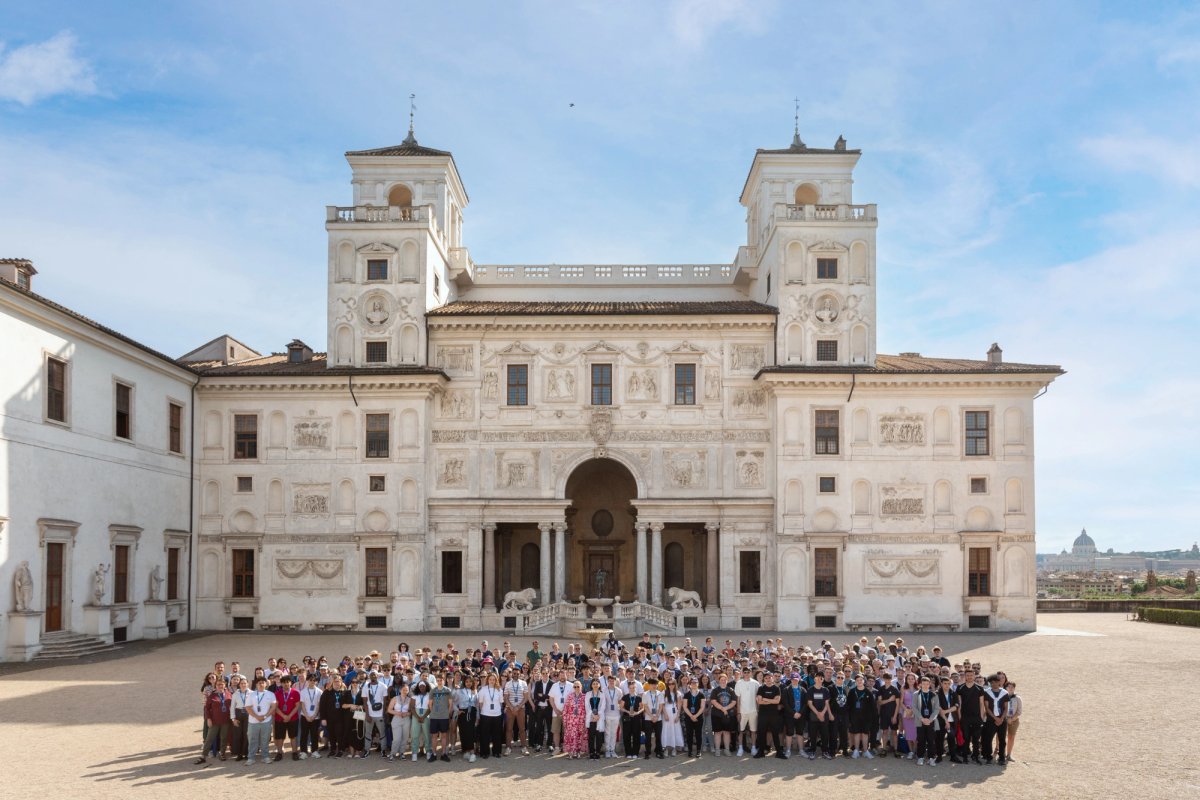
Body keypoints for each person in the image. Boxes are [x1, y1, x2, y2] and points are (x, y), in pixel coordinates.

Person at [195, 677, 232, 765]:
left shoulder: (228, 694)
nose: (220, 686)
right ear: (216, 685)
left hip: (226, 720)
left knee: (224, 738)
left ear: (225, 685)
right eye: (218, 684)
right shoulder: (212, 695)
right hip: (214, 721)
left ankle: (222, 753)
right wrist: (208, 719)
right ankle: (203, 756)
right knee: (209, 738)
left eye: (222, 684)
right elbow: (207, 709)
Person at [754, 671, 786, 759]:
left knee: (775, 733)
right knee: (761, 733)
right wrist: (771, 701)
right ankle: (761, 752)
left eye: (769, 677)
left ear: (772, 678)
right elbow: (760, 702)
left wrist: (765, 699)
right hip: (763, 714)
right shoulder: (761, 688)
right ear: (764, 679)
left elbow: (777, 701)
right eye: (766, 678)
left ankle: (779, 752)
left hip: (773, 714)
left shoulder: (776, 688)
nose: (768, 679)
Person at [956, 669, 985, 763]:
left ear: (974, 676)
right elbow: (959, 704)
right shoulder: (960, 688)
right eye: (967, 675)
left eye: (971, 675)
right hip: (965, 717)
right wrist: (960, 717)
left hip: (976, 717)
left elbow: (981, 704)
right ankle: (965, 756)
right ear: (965, 676)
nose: (969, 677)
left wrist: (981, 717)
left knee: (976, 738)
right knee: (966, 737)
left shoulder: (979, 688)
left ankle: (975, 756)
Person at [245, 677, 276, 766]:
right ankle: (251, 758)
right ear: (256, 685)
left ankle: (265, 757)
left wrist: (265, 716)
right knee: (252, 739)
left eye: (263, 683)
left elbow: (273, 706)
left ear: (266, 684)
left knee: (265, 739)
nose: (261, 684)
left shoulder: (270, 694)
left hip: (266, 721)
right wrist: (257, 717)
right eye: (259, 683)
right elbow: (248, 707)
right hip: (253, 721)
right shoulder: (251, 695)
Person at [981, 674, 1010, 765]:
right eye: (992, 682)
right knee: (988, 739)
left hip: (1002, 720)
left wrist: (1001, 718)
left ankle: (1001, 757)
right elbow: (987, 707)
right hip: (991, 720)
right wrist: (995, 718)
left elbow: (1006, 708)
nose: (994, 684)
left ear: (999, 682)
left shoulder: (1004, 693)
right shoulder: (987, 692)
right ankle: (989, 757)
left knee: (1002, 740)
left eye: (996, 682)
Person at [806, 672, 835, 760]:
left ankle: (825, 751)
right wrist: (818, 714)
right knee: (813, 734)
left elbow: (827, 703)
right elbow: (810, 704)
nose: (819, 679)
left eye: (821, 677)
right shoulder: (810, 690)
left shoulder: (825, 690)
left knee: (825, 734)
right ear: (814, 679)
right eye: (817, 677)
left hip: (824, 716)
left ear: (823, 679)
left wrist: (822, 713)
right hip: (813, 716)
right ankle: (812, 751)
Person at [360, 671, 389, 759]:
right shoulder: (365, 687)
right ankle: (367, 750)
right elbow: (365, 702)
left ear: (378, 676)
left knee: (382, 733)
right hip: (370, 714)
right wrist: (367, 714)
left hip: (380, 714)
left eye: (375, 675)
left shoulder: (383, 686)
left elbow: (385, 701)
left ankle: (383, 750)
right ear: (369, 676)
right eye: (371, 675)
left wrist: (384, 714)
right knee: (368, 733)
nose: (373, 676)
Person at [847, 674, 876, 759]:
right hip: (854, 717)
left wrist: (872, 718)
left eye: (861, 680)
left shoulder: (868, 692)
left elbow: (873, 707)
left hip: (866, 718)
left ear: (864, 681)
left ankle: (865, 751)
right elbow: (848, 705)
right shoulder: (852, 692)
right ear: (855, 682)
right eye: (857, 680)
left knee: (865, 734)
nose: (859, 681)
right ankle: (856, 750)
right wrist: (849, 718)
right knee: (856, 733)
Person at [709, 672, 738, 756]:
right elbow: (713, 701)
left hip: (728, 715)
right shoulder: (715, 690)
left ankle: (727, 749)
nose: (723, 681)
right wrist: (722, 708)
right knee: (718, 732)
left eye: (725, 679)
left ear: (727, 680)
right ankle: (717, 750)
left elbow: (734, 702)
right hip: (717, 714)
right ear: (719, 680)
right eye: (722, 679)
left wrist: (726, 708)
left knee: (726, 732)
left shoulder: (731, 690)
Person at [913, 676, 940, 766]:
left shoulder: (934, 695)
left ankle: (931, 758)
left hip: (931, 721)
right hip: (920, 721)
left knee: (931, 740)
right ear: (920, 684)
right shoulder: (916, 694)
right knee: (921, 739)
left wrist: (930, 719)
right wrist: (922, 718)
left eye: (927, 684)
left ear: (929, 685)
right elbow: (914, 708)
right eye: (923, 684)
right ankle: (920, 757)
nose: (925, 685)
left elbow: (936, 709)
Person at [477, 673, 505, 758]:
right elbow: (480, 703)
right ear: (487, 680)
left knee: (497, 734)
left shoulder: (499, 690)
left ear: (496, 680)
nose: (492, 681)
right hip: (485, 715)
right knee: (485, 734)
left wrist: (496, 711)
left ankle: (496, 752)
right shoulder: (483, 689)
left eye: (494, 679)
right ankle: (485, 752)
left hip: (497, 715)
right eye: (490, 679)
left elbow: (501, 703)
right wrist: (485, 711)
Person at [734, 669, 760, 756]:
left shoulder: (756, 683)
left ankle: (753, 748)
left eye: (748, 672)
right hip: (742, 712)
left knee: (753, 731)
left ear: (751, 673)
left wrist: (758, 711)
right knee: (741, 731)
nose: (746, 674)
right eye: (744, 672)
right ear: (742, 673)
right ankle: (740, 748)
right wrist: (738, 712)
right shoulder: (738, 683)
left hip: (753, 711)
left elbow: (757, 699)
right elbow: (738, 699)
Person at [504, 669, 529, 755]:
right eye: (514, 673)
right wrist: (511, 707)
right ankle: (508, 747)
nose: (515, 675)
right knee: (509, 729)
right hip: (510, 709)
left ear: (520, 674)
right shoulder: (508, 684)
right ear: (511, 674)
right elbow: (506, 698)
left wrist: (518, 706)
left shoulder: (524, 683)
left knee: (522, 729)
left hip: (520, 709)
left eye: (517, 674)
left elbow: (526, 697)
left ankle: (524, 747)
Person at [429, 676, 453, 762]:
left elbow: (450, 704)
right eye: (438, 680)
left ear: (444, 680)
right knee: (434, 736)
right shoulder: (433, 690)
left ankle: (444, 754)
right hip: (434, 717)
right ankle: (434, 754)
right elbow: (430, 704)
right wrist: (434, 713)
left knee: (444, 736)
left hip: (444, 717)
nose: (439, 682)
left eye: (441, 680)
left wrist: (447, 713)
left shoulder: (447, 690)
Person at [298, 674, 323, 759]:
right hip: (305, 716)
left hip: (315, 718)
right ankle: (303, 751)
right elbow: (302, 705)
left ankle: (315, 751)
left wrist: (314, 715)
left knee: (314, 735)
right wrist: (307, 716)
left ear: (316, 681)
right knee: (304, 734)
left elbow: (319, 705)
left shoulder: (319, 692)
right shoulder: (303, 691)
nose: (312, 682)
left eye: (314, 680)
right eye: (310, 680)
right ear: (307, 680)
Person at [562, 679, 588, 758]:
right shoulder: (570, 696)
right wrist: (564, 719)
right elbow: (566, 708)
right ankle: (571, 752)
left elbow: (587, 709)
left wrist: (586, 720)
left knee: (580, 735)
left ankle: (578, 752)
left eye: (578, 686)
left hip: (581, 719)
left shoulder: (585, 697)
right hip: (571, 720)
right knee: (571, 736)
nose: (576, 688)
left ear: (581, 687)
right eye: (575, 686)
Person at [387, 681, 412, 762]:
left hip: (406, 719)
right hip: (396, 719)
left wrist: (407, 714)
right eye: (404, 690)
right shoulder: (395, 698)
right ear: (400, 690)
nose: (405, 691)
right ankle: (392, 754)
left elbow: (412, 711)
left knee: (405, 738)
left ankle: (402, 753)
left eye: (407, 690)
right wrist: (397, 712)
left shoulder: (410, 700)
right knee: (397, 738)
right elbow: (389, 710)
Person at [876, 672, 900, 756]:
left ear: (891, 679)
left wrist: (895, 716)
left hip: (893, 714)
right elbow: (880, 702)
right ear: (883, 679)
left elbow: (898, 704)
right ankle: (884, 749)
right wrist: (889, 700)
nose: (888, 681)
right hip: (884, 714)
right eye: (886, 679)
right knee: (885, 732)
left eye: (889, 679)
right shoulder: (881, 689)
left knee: (894, 732)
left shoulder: (895, 690)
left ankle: (896, 749)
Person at [682, 678, 706, 758]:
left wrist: (695, 716)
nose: (694, 684)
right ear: (690, 684)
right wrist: (691, 716)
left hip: (699, 717)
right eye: (692, 683)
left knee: (699, 734)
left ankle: (698, 751)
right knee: (689, 734)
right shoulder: (686, 694)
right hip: (689, 717)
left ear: (698, 684)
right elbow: (685, 707)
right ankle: (690, 750)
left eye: (695, 683)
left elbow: (702, 707)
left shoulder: (701, 695)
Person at [620, 680, 644, 760]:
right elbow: (621, 707)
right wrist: (627, 711)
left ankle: (635, 753)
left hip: (636, 718)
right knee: (627, 736)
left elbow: (642, 708)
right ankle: (628, 753)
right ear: (628, 688)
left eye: (633, 688)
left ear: (635, 688)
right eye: (630, 688)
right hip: (627, 718)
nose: (632, 689)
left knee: (636, 736)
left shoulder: (638, 698)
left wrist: (637, 713)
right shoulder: (625, 697)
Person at [529, 669, 552, 753]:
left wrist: (542, 696)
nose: (545, 674)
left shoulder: (552, 684)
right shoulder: (538, 683)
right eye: (543, 673)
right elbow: (535, 695)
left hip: (549, 709)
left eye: (546, 673)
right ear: (541, 674)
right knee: (539, 727)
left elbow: (551, 696)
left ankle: (550, 744)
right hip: (539, 709)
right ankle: (539, 744)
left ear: (549, 673)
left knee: (549, 727)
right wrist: (546, 698)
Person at [661, 678, 684, 756]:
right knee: (666, 730)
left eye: (672, 684)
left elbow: (679, 706)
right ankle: (666, 748)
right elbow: (662, 705)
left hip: (675, 714)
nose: (671, 686)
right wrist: (665, 714)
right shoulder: (664, 692)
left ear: (675, 684)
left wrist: (678, 715)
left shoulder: (678, 693)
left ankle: (674, 748)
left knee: (675, 730)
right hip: (666, 713)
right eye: (669, 684)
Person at [602, 675, 623, 758]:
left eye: (613, 681)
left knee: (614, 733)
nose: (611, 682)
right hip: (607, 714)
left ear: (615, 681)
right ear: (608, 681)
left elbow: (620, 701)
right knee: (607, 733)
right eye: (610, 681)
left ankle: (612, 750)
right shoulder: (604, 690)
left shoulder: (619, 691)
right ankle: (607, 750)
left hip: (616, 714)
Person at [410, 681, 432, 761]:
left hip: (426, 715)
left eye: (423, 686)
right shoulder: (414, 695)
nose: (422, 688)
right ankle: (414, 752)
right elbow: (412, 707)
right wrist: (418, 717)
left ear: (426, 687)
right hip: (416, 715)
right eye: (420, 686)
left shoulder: (429, 695)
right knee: (415, 734)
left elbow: (430, 708)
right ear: (418, 687)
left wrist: (423, 716)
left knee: (427, 734)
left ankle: (428, 751)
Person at [229, 676, 250, 761]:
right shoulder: (235, 694)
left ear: (248, 684)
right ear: (239, 685)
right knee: (238, 734)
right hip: (238, 713)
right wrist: (233, 719)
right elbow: (232, 707)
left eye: (245, 683)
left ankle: (246, 753)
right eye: (241, 683)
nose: (243, 685)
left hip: (248, 714)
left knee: (247, 734)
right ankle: (239, 754)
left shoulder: (252, 693)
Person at [642, 680, 664, 759]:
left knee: (658, 736)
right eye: (652, 684)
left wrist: (657, 716)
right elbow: (645, 706)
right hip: (648, 718)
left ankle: (659, 751)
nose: (654, 686)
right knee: (648, 736)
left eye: (655, 684)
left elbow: (661, 706)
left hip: (658, 718)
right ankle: (647, 752)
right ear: (649, 685)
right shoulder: (645, 694)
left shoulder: (660, 694)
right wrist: (652, 716)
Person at [900, 672, 918, 760]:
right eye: (909, 679)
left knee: (915, 734)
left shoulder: (918, 689)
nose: (910, 680)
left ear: (915, 680)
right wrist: (906, 710)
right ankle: (911, 752)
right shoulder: (903, 688)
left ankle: (916, 751)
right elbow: (901, 702)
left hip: (916, 714)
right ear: (906, 680)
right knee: (908, 734)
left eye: (912, 679)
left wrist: (914, 710)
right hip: (906, 714)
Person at [585, 678, 605, 759]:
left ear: (599, 685)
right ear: (591, 685)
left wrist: (598, 715)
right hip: (591, 718)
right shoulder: (588, 694)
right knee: (591, 736)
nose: (595, 685)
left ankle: (598, 752)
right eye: (594, 684)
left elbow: (603, 706)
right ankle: (592, 752)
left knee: (599, 736)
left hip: (599, 718)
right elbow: (587, 706)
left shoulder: (602, 694)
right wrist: (593, 715)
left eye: (597, 683)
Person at [1004, 681, 1021, 760]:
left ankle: (1009, 754)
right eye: (1009, 687)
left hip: (1014, 720)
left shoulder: (1017, 698)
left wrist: (1012, 719)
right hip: (1004, 719)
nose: (1010, 689)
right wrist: (1006, 719)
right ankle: (1001, 753)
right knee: (1001, 737)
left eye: (1012, 687)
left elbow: (1019, 711)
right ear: (1006, 688)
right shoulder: (1003, 696)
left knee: (1011, 737)